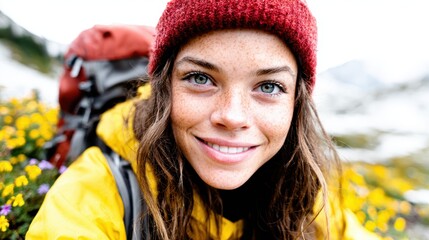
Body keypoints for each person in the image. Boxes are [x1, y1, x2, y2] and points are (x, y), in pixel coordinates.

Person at [27, 0, 382, 239]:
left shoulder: (309, 197)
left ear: (297, 102)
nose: (231, 116)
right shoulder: (94, 192)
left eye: (269, 86)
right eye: (200, 78)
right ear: (164, 86)